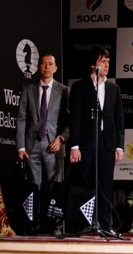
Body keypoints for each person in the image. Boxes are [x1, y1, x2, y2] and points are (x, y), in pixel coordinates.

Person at [67, 46, 124, 235]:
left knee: (105, 186)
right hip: (86, 144)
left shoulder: (113, 88)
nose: (107, 65)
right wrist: (74, 145)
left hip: (107, 144)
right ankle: (86, 223)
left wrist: (119, 146)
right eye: (103, 61)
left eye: (108, 61)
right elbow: (74, 118)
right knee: (86, 184)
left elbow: (119, 120)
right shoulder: (80, 86)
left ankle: (106, 224)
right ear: (93, 65)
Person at [16, 53, 69, 235]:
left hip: (53, 146)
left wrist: (61, 138)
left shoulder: (63, 90)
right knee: (35, 185)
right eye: (43, 64)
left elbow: (69, 121)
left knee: (55, 186)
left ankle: (55, 224)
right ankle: (35, 222)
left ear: (55, 68)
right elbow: (22, 119)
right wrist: (21, 147)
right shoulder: (28, 89)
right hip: (32, 146)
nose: (47, 67)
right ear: (39, 67)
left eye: (50, 64)